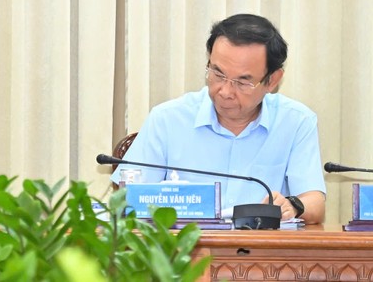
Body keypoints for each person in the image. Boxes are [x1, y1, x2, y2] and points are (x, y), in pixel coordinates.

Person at [113, 13, 325, 223]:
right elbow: (127, 200)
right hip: (182, 251)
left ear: (272, 81)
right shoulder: (167, 119)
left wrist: (293, 206)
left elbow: (315, 202)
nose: (225, 91)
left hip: (261, 253)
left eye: (242, 82)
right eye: (218, 74)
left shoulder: (296, 122)